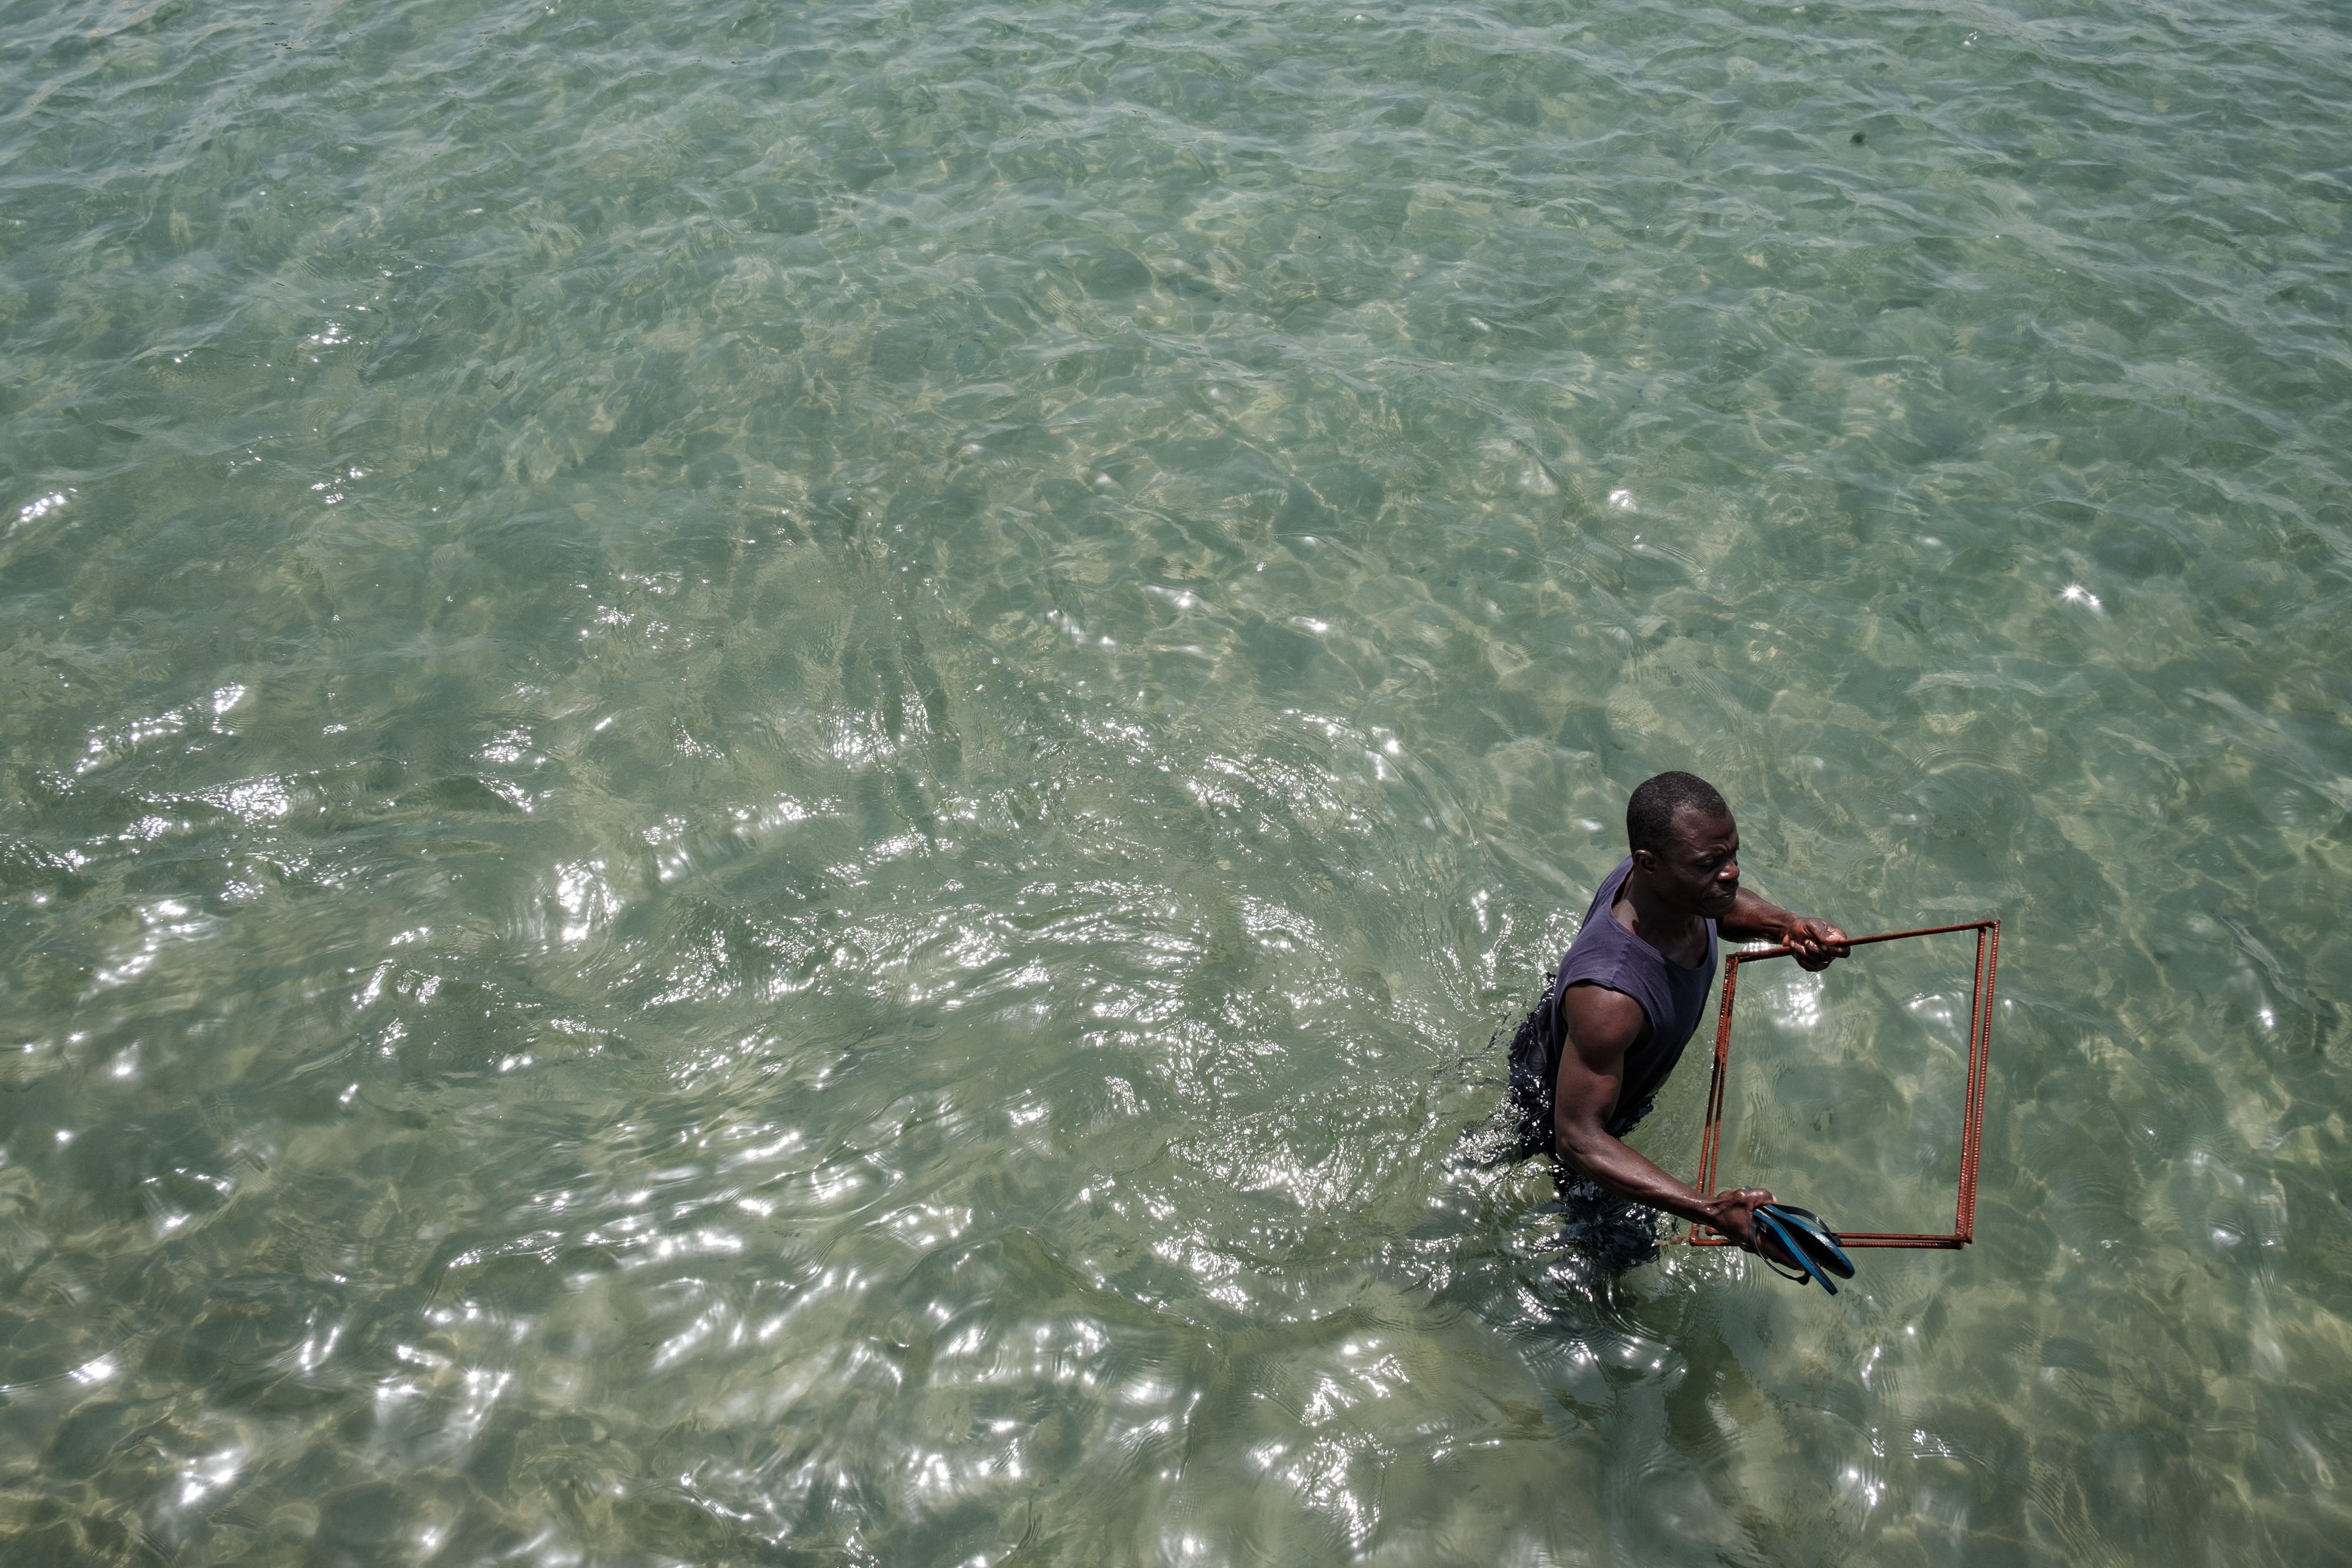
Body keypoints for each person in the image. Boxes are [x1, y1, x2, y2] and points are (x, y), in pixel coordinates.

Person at [1504, 771, 1849, 1269]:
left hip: (1585, 1049)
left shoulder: (1674, 886)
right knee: (1619, 1259)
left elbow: (1718, 909)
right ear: (1648, 865)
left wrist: (1788, 927)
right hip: (1566, 1104)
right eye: (1711, 864)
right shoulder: (1609, 1000)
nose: (1730, 874)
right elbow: (1578, 1139)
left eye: (1732, 855)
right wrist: (1710, 1209)